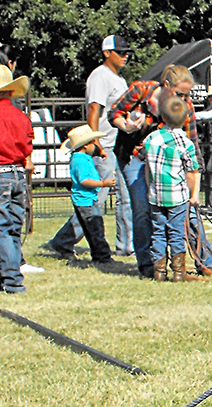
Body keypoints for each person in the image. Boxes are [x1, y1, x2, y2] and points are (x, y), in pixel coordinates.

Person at [42, 33, 134, 260]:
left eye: (127, 53)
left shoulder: (118, 80)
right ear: (106, 53)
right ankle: (63, 241)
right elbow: (94, 109)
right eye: (120, 52)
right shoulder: (100, 76)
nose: (125, 56)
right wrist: (95, 142)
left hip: (117, 144)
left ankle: (125, 246)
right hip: (103, 145)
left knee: (125, 197)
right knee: (95, 200)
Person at [109, 65, 200, 278]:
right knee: (141, 208)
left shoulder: (184, 107)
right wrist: (127, 125)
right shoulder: (141, 90)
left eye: (187, 95)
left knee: (181, 209)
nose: (185, 99)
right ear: (167, 85)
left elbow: (192, 144)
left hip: (165, 161)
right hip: (134, 156)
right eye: (180, 93)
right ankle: (148, 266)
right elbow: (113, 112)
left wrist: (195, 180)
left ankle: (196, 264)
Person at [142, 95, 200, 281]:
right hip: (177, 196)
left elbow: (146, 167)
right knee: (176, 232)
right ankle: (178, 272)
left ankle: (159, 271)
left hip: (155, 195)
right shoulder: (185, 143)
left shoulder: (151, 139)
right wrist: (194, 194)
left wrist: (149, 186)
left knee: (158, 231)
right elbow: (191, 172)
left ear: (163, 117)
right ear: (185, 119)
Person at [0, 64, 33, 294]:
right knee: (14, 228)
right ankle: (7, 276)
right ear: (10, 90)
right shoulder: (20, 116)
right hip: (18, 173)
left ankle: (13, 281)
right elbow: (27, 145)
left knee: (1, 229)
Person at [61, 123, 115, 265]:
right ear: (85, 145)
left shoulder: (80, 158)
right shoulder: (80, 160)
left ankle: (99, 255)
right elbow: (84, 180)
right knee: (96, 229)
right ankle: (102, 257)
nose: (95, 146)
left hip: (85, 199)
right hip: (86, 200)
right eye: (93, 143)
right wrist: (104, 184)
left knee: (92, 229)